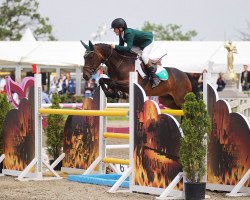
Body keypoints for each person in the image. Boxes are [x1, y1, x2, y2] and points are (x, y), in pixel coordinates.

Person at [110, 18, 160, 88]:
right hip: (138, 44)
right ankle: (144, 74)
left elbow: (128, 48)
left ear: (120, 28)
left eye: (114, 29)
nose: (113, 31)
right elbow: (121, 47)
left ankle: (155, 77)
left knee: (144, 57)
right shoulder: (121, 35)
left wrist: (115, 47)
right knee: (134, 57)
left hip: (148, 41)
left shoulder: (128, 33)